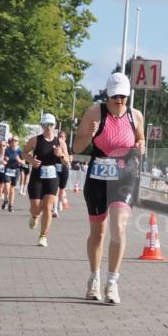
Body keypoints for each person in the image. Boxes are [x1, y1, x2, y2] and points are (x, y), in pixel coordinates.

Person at [73, 72, 146, 305]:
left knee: (118, 227)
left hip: (125, 174)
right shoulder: (94, 113)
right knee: (99, 232)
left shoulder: (135, 116)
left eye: (123, 97)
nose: (119, 101)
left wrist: (141, 145)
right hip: (98, 174)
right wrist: (91, 134)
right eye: (115, 96)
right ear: (108, 94)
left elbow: (140, 140)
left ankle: (112, 282)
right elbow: (77, 146)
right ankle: (94, 279)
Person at [24, 114, 68, 246]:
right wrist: (31, 160)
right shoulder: (35, 140)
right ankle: (34, 215)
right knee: (36, 207)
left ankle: (43, 236)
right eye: (45, 125)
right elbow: (24, 153)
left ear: (54, 126)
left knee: (48, 207)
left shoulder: (60, 143)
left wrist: (60, 155)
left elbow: (67, 160)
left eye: (51, 125)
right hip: (37, 176)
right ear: (42, 126)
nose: (48, 128)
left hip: (52, 177)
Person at [1, 136, 23, 211]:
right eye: (13, 140)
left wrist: (19, 160)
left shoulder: (20, 151)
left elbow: (23, 162)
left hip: (16, 170)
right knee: (7, 187)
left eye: (16, 140)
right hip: (8, 170)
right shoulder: (7, 150)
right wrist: (5, 160)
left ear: (18, 142)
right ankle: (6, 199)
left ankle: (10, 205)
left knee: (12, 189)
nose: (14, 142)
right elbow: (3, 159)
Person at [53, 130, 71, 217]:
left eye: (62, 137)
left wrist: (63, 155)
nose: (60, 138)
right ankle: (55, 209)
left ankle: (59, 202)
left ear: (65, 138)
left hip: (64, 169)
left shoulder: (67, 147)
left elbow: (70, 158)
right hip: (55, 169)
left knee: (61, 189)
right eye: (59, 136)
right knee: (55, 189)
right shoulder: (54, 145)